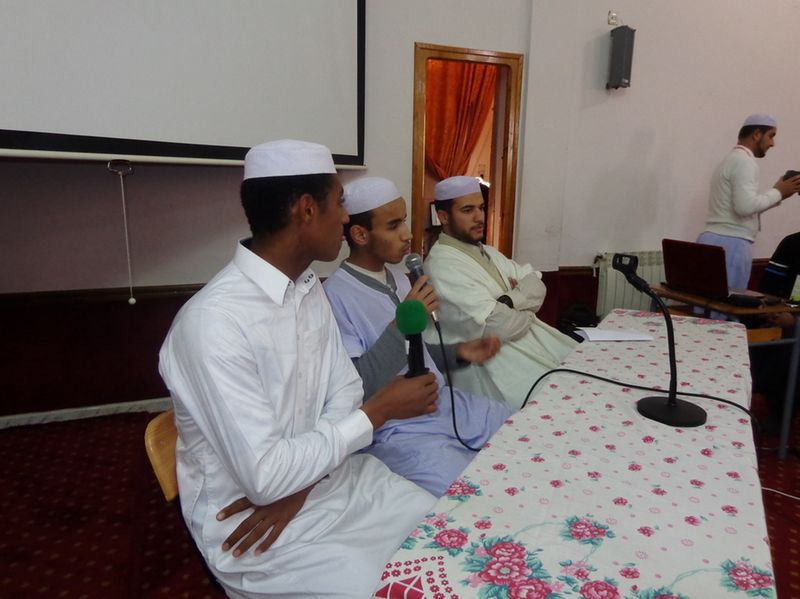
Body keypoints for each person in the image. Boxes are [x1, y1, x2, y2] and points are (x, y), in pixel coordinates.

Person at [158, 140, 441, 598]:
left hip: (331, 483)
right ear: (307, 210)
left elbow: (345, 391)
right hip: (258, 528)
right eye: (340, 204)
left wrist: (302, 483)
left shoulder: (307, 288)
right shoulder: (213, 324)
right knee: (393, 589)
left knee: (447, 534)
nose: (346, 218)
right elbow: (266, 478)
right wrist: (376, 413)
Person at [322, 176, 513, 496]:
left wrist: (458, 352)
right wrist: (404, 322)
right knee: (468, 495)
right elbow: (356, 387)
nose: (408, 234)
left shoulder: (400, 278)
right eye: (394, 225)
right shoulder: (335, 296)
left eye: (405, 221)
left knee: (524, 434)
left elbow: (412, 357)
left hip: (444, 405)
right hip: (398, 429)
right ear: (360, 234)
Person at [423, 175, 578, 410]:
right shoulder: (442, 266)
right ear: (443, 217)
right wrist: (526, 308)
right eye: (468, 210)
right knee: (562, 402)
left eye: (481, 208)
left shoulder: (489, 252)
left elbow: (537, 284)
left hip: (529, 347)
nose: (479, 217)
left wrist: (508, 301)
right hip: (493, 369)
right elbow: (497, 326)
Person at [697, 113, 800, 290]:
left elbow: (744, 206)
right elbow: (744, 207)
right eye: (771, 136)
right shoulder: (745, 162)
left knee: (706, 302)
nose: (772, 144)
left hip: (713, 241)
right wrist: (778, 192)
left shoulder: (731, 159)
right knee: (726, 304)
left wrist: (778, 193)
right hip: (731, 244)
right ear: (757, 134)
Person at [751, 231, 800, 435]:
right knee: (742, 328)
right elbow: (768, 287)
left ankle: (780, 416)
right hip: (782, 312)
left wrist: (794, 320)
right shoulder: (792, 243)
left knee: (792, 346)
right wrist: (770, 309)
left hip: (795, 322)